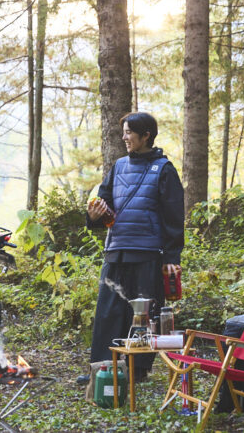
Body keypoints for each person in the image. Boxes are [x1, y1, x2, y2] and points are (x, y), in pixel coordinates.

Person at [79, 111, 184, 385]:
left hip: (148, 253)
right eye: (123, 131)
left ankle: (137, 370)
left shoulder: (164, 170)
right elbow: (102, 205)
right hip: (117, 250)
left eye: (129, 132)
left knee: (143, 315)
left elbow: (174, 217)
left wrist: (172, 256)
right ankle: (101, 369)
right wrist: (94, 216)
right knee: (107, 311)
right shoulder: (118, 166)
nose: (124, 137)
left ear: (146, 135)